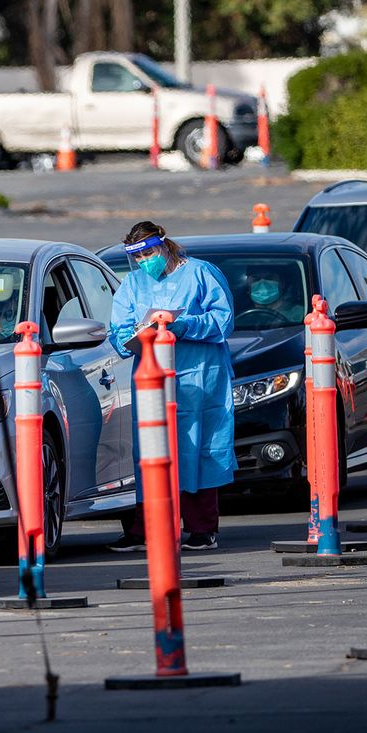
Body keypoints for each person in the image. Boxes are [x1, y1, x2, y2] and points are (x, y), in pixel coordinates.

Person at [107, 221, 236, 552]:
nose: (144, 262)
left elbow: (223, 320)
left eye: (149, 253)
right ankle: (144, 529)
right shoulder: (133, 284)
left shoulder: (200, 274)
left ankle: (201, 528)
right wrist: (133, 335)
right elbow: (117, 330)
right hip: (152, 377)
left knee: (199, 446)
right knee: (151, 448)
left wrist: (182, 325)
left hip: (200, 374)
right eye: (138, 258)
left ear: (164, 246)